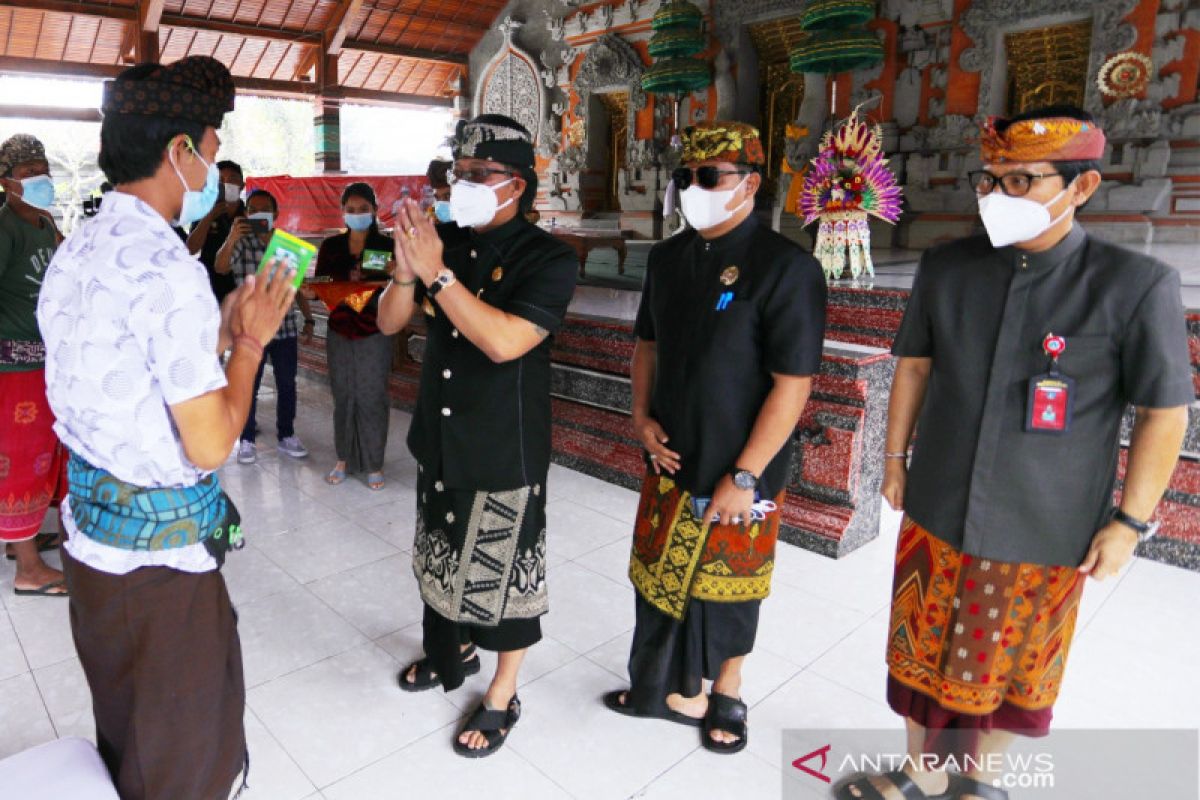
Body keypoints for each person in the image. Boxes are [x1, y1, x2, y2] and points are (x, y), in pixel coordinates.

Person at [841, 107, 1192, 800]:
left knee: (1017, 666)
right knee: (919, 651)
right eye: (990, 179)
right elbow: (911, 367)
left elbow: (1164, 413)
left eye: (1022, 180)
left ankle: (984, 782)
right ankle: (918, 775)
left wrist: (1129, 523)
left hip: (1047, 520)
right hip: (939, 499)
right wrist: (892, 460)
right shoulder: (949, 267)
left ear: (1082, 186)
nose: (997, 197)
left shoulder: (1133, 285)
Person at [36, 56, 296, 800]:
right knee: (181, 761)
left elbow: (138, 373)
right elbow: (211, 442)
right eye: (211, 150)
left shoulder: (79, 246)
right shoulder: (164, 265)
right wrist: (249, 343)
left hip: (93, 541)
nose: (214, 166)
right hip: (157, 569)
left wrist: (220, 329)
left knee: (129, 727)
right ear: (179, 151)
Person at [601, 121, 827, 755]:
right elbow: (646, 343)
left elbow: (793, 384)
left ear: (750, 184)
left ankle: (726, 690)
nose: (692, 190)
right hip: (670, 453)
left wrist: (748, 472)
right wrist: (640, 416)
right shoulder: (668, 258)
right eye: (684, 179)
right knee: (656, 576)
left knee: (728, 586)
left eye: (708, 178)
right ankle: (660, 687)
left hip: (741, 465)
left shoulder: (787, 268)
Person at [377, 113, 578, 757]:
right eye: (456, 173)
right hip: (438, 438)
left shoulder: (547, 257)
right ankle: (448, 653)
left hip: (501, 446)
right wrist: (407, 272)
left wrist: (437, 275)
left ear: (515, 185)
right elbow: (388, 324)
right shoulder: (446, 239)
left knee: (505, 582)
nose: (461, 183)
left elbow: (504, 341)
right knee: (438, 560)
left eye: (478, 174)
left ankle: (503, 692)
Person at [0, 133, 67, 597]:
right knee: (20, 461)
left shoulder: (44, 222)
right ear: (6, 182)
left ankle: (17, 540)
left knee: (44, 455)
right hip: (13, 366)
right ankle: (27, 568)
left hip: (45, 360)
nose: (41, 179)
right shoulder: (4, 227)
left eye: (44, 169)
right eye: (28, 173)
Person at [216, 188, 315, 464]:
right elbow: (221, 267)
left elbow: (295, 288)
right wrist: (233, 236)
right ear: (246, 214)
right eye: (254, 209)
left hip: (284, 328)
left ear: (276, 214)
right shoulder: (241, 243)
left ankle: (287, 435)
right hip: (249, 329)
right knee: (248, 383)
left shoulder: (288, 246)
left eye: (265, 209)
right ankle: (246, 439)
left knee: (287, 384)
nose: (260, 214)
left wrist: (308, 319)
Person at [314, 181, 396, 490]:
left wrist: (394, 270)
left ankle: (374, 462)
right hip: (340, 327)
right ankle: (344, 458)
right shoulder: (332, 246)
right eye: (351, 210)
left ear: (375, 211)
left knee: (372, 395)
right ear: (342, 213)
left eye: (363, 209)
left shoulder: (387, 246)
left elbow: (401, 283)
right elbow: (321, 279)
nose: (357, 214)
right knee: (344, 394)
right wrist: (314, 288)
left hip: (375, 327)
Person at [187, 158, 245, 303]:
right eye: (220, 180)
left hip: (241, 287)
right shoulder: (203, 211)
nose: (225, 183)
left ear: (242, 186)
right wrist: (209, 217)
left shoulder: (250, 213)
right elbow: (191, 249)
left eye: (231, 179)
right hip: (210, 286)